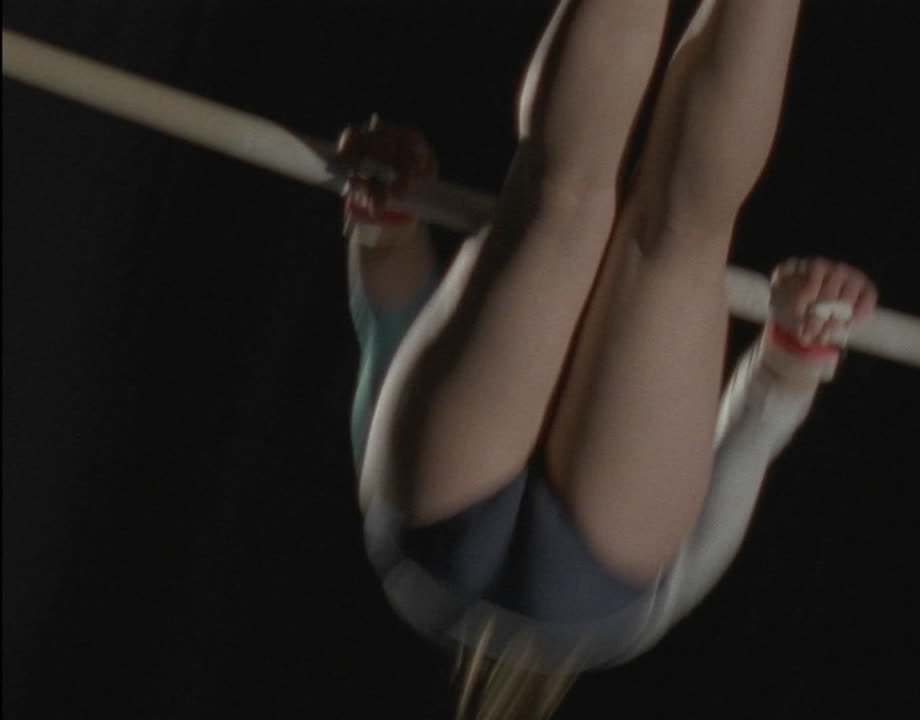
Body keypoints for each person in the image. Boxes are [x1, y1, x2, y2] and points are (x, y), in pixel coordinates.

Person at [340, 1, 878, 717]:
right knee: (560, 194)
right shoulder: (412, 588)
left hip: (592, 600)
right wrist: (382, 219)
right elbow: (387, 324)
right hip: (430, 540)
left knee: (676, 242)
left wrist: (801, 345)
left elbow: (750, 442)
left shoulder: (630, 632)